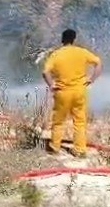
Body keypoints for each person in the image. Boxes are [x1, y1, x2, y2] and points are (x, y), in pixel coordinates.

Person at [42, 29, 102, 157]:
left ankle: (55, 147)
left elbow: (45, 72)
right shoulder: (82, 52)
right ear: (74, 39)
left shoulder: (56, 54)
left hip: (62, 92)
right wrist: (91, 79)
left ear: (62, 40)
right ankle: (80, 150)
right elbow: (98, 63)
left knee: (58, 121)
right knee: (79, 122)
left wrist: (51, 84)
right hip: (79, 92)